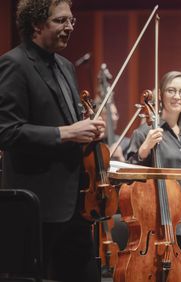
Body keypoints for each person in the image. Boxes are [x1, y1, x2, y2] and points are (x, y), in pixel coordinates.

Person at [0, 0, 106, 281]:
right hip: (37, 206)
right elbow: (7, 132)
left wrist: (90, 130)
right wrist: (67, 132)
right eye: (61, 21)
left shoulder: (65, 66)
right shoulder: (14, 64)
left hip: (75, 205)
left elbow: (72, 125)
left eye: (71, 21)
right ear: (36, 24)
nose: (69, 27)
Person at [126, 71, 181, 282]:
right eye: (171, 90)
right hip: (157, 223)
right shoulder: (145, 131)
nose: (177, 96)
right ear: (161, 95)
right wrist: (144, 149)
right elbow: (127, 176)